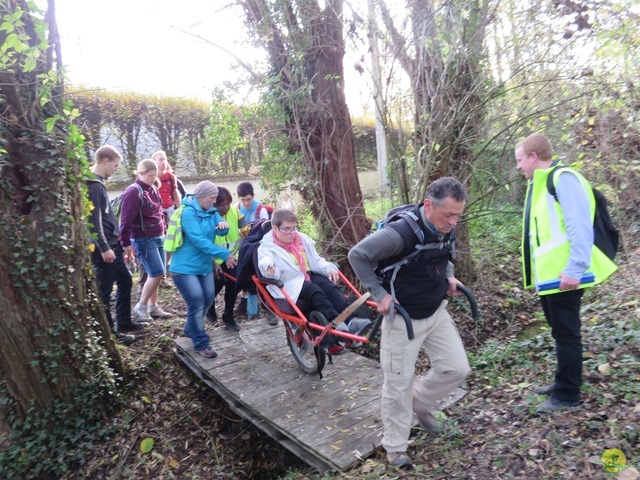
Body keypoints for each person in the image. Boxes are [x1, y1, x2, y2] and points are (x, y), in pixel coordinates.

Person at [348, 177, 471, 469]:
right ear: (428, 205)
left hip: (435, 311)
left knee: (457, 368)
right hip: (403, 319)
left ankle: (420, 400)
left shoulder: (445, 226)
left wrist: (449, 277)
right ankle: (395, 448)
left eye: (458, 215)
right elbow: (358, 255)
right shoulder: (399, 234)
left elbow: (445, 253)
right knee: (397, 385)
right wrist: (379, 294)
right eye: (448, 215)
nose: (453, 222)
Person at [515, 133, 617, 414]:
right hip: (552, 278)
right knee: (561, 333)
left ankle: (567, 395)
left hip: (565, 276)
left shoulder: (563, 179)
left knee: (567, 334)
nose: (518, 166)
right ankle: (564, 382)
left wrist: (574, 269)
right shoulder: (543, 183)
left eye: (520, 160)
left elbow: (579, 226)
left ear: (534, 157)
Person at [258, 209, 371, 354]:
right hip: (289, 282)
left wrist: (329, 268)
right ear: (275, 228)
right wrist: (269, 266)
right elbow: (265, 263)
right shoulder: (266, 248)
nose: (292, 233)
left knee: (331, 287)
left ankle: (350, 321)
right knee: (315, 291)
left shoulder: (301, 239)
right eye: (287, 229)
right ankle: (336, 324)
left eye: (294, 228)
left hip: (308, 274)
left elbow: (316, 260)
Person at [169, 181, 236, 358]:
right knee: (197, 301)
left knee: (208, 299)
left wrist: (224, 227)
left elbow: (220, 231)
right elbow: (198, 240)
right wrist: (224, 253)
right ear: (201, 197)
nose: (214, 202)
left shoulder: (212, 212)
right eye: (212, 198)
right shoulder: (188, 213)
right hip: (184, 268)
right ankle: (201, 343)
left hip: (204, 266)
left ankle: (190, 330)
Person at [86, 145, 145, 345]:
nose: (116, 170)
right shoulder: (93, 186)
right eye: (115, 165)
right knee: (104, 292)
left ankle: (124, 322)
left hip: (113, 245)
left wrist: (120, 242)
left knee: (126, 281)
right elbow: (93, 222)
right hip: (105, 249)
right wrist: (104, 248)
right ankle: (109, 335)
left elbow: (106, 217)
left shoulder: (99, 184)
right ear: (105, 160)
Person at [120, 159, 173, 322]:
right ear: (140, 174)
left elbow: (158, 213)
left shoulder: (153, 189)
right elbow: (126, 219)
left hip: (159, 236)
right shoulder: (133, 192)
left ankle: (153, 307)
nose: (152, 178)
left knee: (157, 273)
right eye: (149, 176)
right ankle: (140, 306)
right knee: (157, 273)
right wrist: (126, 243)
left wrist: (164, 231)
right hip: (143, 239)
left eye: (154, 175)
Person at [206, 187, 249, 331]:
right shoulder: (208, 216)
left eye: (227, 204)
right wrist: (213, 263)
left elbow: (245, 232)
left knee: (234, 284)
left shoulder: (235, 212)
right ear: (214, 204)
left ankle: (228, 316)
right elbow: (204, 242)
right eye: (221, 204)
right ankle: (209, 305)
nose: (225, 207)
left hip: (230, 258)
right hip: (213, 260)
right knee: (216, 285)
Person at [235, 181, 272, 318]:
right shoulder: (236, 209)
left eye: (249, 199)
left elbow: (264, 232)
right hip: (244, 249)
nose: (246, 203)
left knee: (262, 275)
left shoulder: (260, 210)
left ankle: (268, 306)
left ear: (253, 196)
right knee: (245, 274)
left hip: (259, 249)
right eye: (243, 200)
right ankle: (245, 302)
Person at [152, 150, 182, 289]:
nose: (163, 162)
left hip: (170, 211)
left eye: (164, 159)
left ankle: (163, 274)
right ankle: (157, 275)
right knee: (159, 242)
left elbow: (175, 194)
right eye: (159, 159)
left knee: (169, 242)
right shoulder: (151, 177)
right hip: (156, 213)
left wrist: (181, 210)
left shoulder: (170, 177)